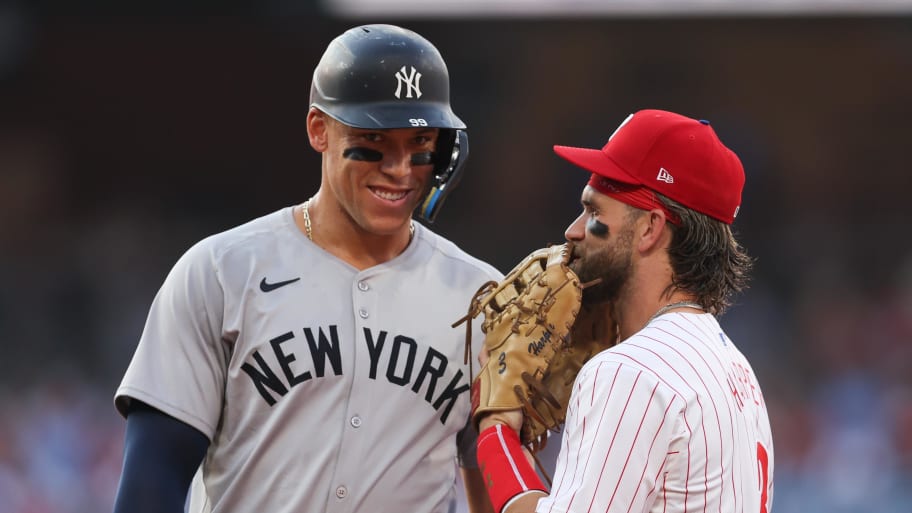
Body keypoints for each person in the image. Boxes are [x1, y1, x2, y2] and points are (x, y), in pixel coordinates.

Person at [111, 24, 500, 513]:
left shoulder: (484, 298)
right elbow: (154, 479)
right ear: (320, 129)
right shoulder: (222, 273)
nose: (401, 168)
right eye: (374, 139)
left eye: (420, 143)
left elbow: (496, 481)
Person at [475, 109, 774, 513]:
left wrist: (496, 435)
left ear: (650, 228)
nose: (574, 231)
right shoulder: (735, 368)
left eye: (595, 213)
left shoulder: (631, 371)